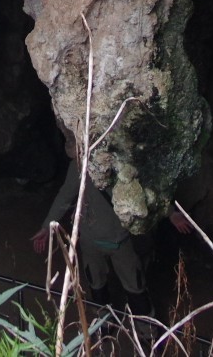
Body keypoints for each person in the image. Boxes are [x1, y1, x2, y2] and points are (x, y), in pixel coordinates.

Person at [31, 134, 148, 312]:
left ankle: (146, 332)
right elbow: (65, 196)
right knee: (98, 284)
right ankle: (103, 326)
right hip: (92, 240)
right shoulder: (78, 167)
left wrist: (171, 213)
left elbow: (147, 192)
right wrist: (47, 226)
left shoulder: (122, 166)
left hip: (119, 238)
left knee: (134, 286)